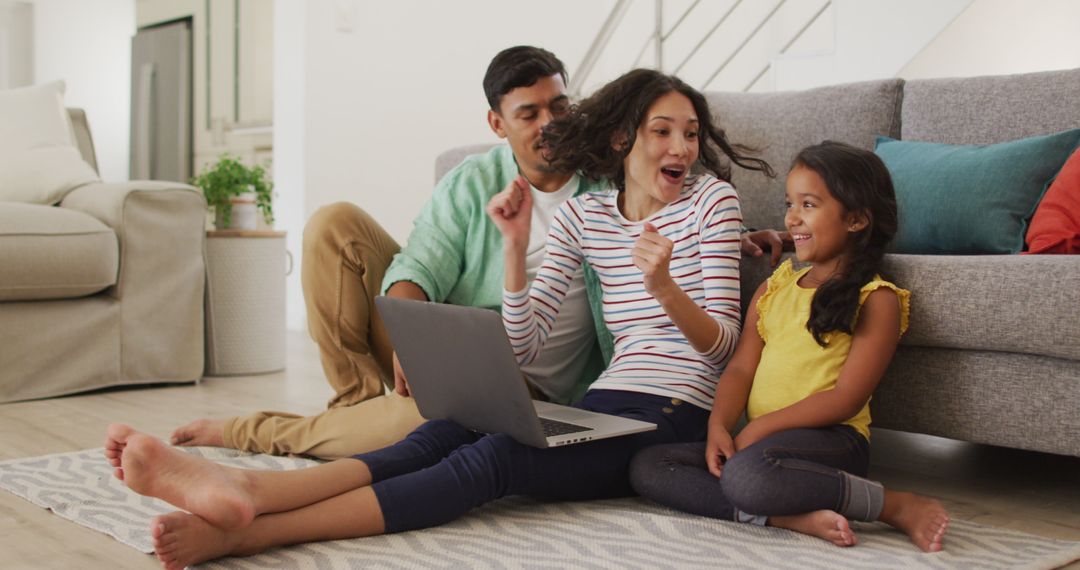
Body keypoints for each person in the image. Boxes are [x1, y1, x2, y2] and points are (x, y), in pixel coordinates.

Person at [103, 68, 773, 569]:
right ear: (625, 137)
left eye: (690, 133)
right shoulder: (586, 217)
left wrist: (663, 288)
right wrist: (514, 253)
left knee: (493, 461)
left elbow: (720, 346)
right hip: (603, 404)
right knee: (444, 430)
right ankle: (249, 487)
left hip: (669, 413)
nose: (681, 147)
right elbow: (527, 340)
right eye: (663, 131)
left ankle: (253, 529)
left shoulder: (712, 203)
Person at [169, 47, 788, 460]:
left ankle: (252, 435)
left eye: (559, 105)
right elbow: (415, 266)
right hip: (453, 352)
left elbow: (656, 215)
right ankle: (357, 406)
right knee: (335, 225)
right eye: (529, 113)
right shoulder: (471, 180)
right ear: (497, 124)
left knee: (418, 428)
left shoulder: (605, 181)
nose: (549, 122)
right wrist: (416, 341)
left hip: (527, 382)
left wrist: (738, 238)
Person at [628, 141, 950, 552]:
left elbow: (846, 398)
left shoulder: (876, 298)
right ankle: (784, 517)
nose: (791, 217)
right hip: (761, 447)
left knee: (747, 475)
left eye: (809, 204)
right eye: (789, 203)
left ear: (855, 219)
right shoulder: (774, 287)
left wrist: (761, 426)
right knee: (650, 465)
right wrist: (718, 427)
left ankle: (890, 505)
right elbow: (741, 369)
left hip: (832, 442)